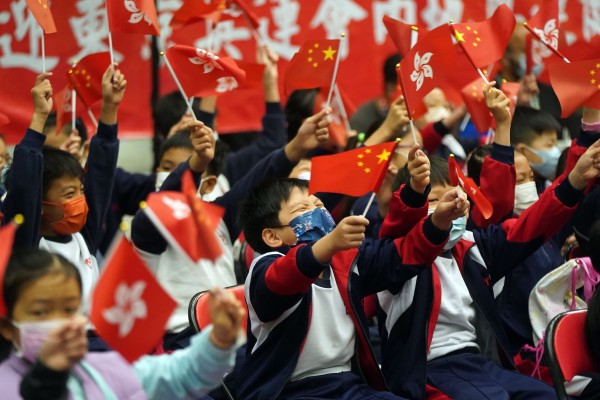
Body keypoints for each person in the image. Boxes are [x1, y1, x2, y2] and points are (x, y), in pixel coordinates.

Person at [228, 172, 451, 400]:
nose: (318, 212)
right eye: (303, 209)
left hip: (350, 386)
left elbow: (400, 256)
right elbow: (284, 277)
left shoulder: (346, 259)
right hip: (290, 391)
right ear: (272, 236)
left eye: (319, 204)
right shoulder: (263, 268)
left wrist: (439, 222)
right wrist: (329, 244)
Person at [0, 248, 245, 399]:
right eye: (41, 312)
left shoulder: (103, 367)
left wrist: (219, 340)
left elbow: (178, 375)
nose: (61, 323)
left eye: (69, 308)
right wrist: (46, 382)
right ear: (8, 327)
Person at [2, 68, 124, 316]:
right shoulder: (27, 245)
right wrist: (38, 118)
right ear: (42, 203)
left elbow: (101, 175)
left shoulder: (83, 238)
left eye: (80, 191)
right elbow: (25, 186)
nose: (80, 200)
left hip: (92, 341)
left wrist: (110, 108)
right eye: (69, 194)